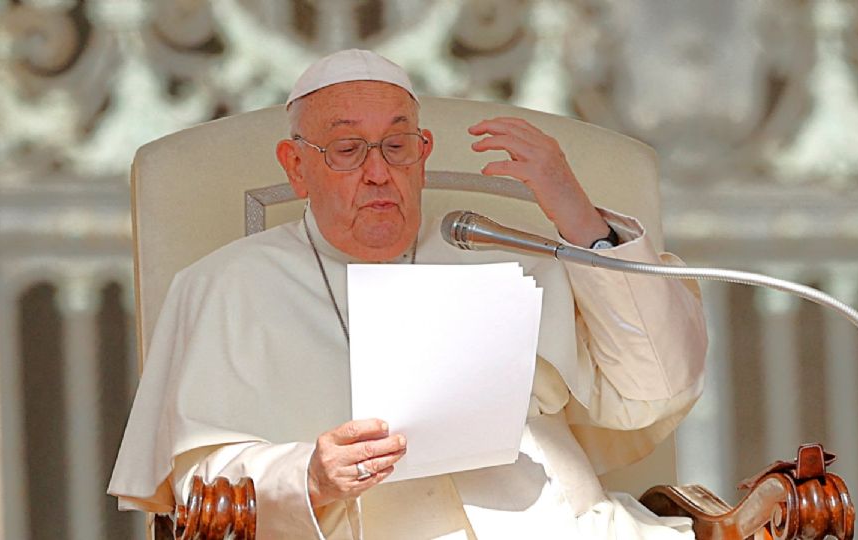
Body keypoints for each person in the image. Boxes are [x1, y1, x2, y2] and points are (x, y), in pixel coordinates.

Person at [109, 49, 707, 539]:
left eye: (397, 147)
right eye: (347, 150)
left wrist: (576, 216)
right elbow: (200, 490)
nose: (378, 172)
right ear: (296, 167)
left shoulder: (508, 253)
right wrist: (309, 477)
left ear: (422, 156)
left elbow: (656, 388)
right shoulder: (222, 286)